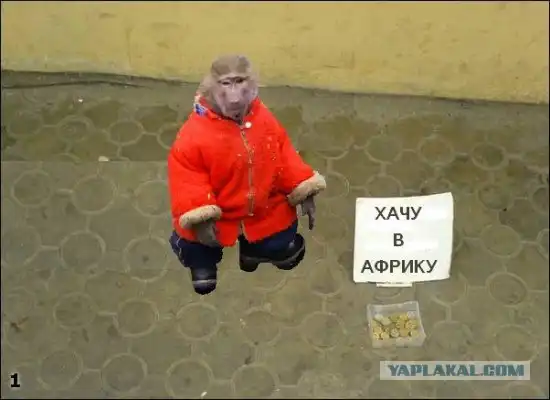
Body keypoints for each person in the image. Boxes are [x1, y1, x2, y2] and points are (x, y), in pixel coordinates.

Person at [167, 55, 326, 295]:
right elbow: (187, 176)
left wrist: (303, 185)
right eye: (226, 84)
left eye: (239, 82)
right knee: (193, 241)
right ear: (211, 86)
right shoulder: (193, 134)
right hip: (218, 212)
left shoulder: (262, 116)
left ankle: (257, 252)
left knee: (282, 234)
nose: (234, 98)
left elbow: (282, 150)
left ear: (252, 83)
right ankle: (202, 265)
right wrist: (200, 217)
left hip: (262, 205)